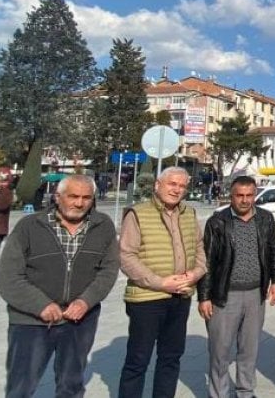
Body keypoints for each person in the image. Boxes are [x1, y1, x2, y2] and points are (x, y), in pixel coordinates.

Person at [0, 175, 119, 398]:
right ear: (58, 196)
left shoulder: (103, 226)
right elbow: (8, 276)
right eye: (73, 196)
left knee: (71, 385)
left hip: (79, 320)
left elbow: (108, 270)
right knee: (21, 385)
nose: (79, 203)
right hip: (31, 321)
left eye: (86, 198)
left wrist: (85, 301)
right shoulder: (30, 226)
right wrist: (40, 305)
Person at [118, 166, 206, 398]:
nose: (176, 190)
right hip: (147, 299)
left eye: (182, 186)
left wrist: (196, 273)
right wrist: (160, 283)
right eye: (172, 184)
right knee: (138, 360)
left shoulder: (189, 214)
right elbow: (126, 256)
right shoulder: (137, 214)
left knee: (171, 358)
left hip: (180, 297)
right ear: (158, 185)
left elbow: (199, 248)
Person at [198, 175, 275, 398]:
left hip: (256, 294)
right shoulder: (217, 222)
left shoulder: (265, 218)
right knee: (220, 350)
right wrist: (204, 296)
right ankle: (218, 393)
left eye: (249, 195)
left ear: (255, 195)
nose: (244, 200)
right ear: (231, 196)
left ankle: (245, 391)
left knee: (249, 349)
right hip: (225, 295)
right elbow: (206, 261)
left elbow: (273, 250)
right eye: (239, 195)